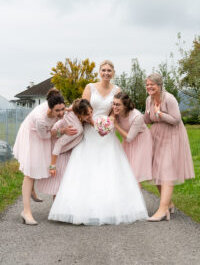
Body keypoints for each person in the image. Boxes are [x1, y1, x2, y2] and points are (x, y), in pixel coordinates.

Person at [48, 60, 148, 225]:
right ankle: (80, 208)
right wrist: (94, 124)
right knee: (86, 167)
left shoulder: (117, 90)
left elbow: (116, 110)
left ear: (113, 72)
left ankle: (110, 207)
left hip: (107, 133)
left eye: (109, 70)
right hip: (89, 130)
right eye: (104, 70)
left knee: (109, 167)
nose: (106, 73)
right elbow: (83, 108)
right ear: (99, 72)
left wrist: (109, 123)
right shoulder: (90, 87)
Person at [13, 89, 77, 225]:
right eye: (57, 111)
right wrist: (62, 131)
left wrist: (70, 110)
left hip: (44, 134)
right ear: (50, 109)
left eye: (62, 109)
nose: (61, 113)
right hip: (33, 136)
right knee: (30, 171)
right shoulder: (40, 118)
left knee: (39, 164)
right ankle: (26, 212)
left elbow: (65, 110)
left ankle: (32, 191)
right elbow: (45, 136)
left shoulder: (60, 108)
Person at [144, 73, 195, 222]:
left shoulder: (169, 98)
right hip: (156, 135)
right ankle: (169, 204)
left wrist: (160, 114)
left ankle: (162, 210)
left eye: (152, 84)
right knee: (156, 170)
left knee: (166, 170)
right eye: (147, 85)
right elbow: (148, 119)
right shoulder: (149, 99)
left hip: (172, 135)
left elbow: (176, 120)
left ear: (159, 85)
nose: (149, 87)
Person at [36, 99, 93, 197]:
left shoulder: (72, 111)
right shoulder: (76, 128)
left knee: (62, 186)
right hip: (57, 151)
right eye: (87, 115)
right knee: (59, 187)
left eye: (91, 112)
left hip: (59, 145)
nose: (91, 116)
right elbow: (59, 144)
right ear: (80, 114)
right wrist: (52, 166)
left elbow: (71, 107)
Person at [112, 92, 152, 188]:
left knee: (134, 174)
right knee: (126, 170)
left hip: (141, 141)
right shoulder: (115, 113)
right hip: (128, 141)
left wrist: (116, 125)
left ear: (125, 105)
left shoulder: (136, 116)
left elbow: (130, 138)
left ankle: (137, 200)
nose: (114, 107)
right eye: (113, 103)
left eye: (118, 104)